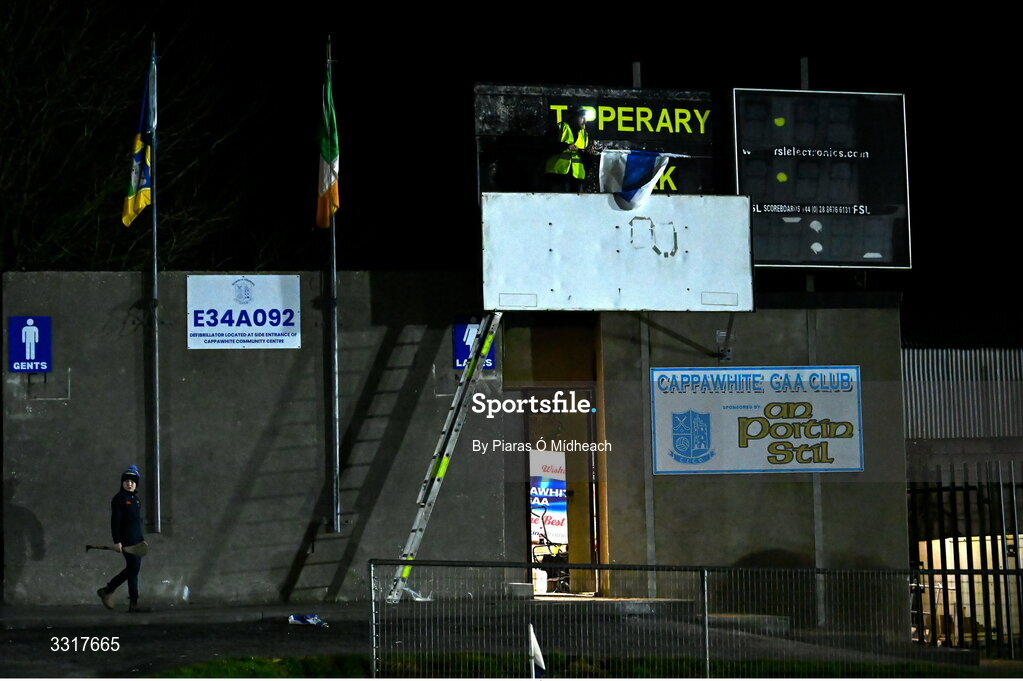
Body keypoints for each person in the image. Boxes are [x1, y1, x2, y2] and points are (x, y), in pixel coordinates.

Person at [97, 465, 147, 612]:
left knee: (133, 570)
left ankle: (133, 603)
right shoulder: (119, 499)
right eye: (126, 481)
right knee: (133, 568)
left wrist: (141, 539)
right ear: (122, 483)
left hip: (137, 541)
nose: (129, 483)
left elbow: (136, 522)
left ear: (136, 483)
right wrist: (117, 540)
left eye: (132, 481)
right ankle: (108, 590)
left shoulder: (136, 500)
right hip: (126, 541)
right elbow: (115, 521)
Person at [544, 105, 593, 192]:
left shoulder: (584, 134)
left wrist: (588, 153)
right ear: (573, 117)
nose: (585, 121)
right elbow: (546, 147)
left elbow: (586, 159)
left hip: (577, 177)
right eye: (582, 117)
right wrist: (566, 146)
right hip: (557, 175)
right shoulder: (559, 128)